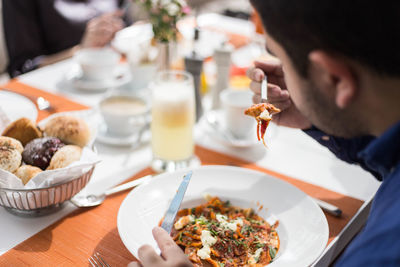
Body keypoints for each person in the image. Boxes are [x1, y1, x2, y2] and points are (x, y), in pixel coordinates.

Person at [130, 0, 400, 266]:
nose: (279, 72)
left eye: (281, 58)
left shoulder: (381, 252)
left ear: (335, 79)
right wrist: (316, 110)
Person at [3, 0, 127, 77]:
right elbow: (22, 69)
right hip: (55, 93)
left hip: (116, 76)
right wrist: (82, 51)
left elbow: (125, 23)